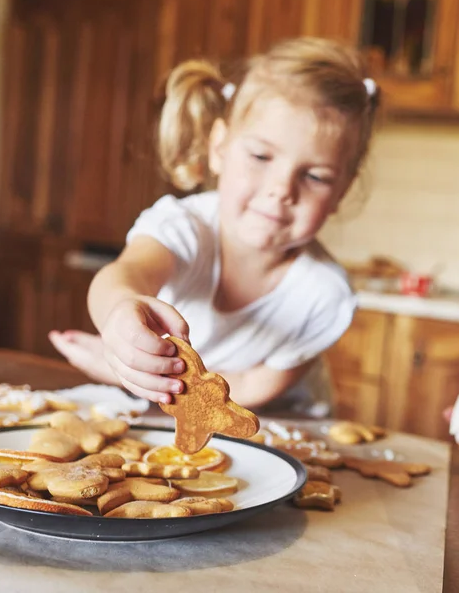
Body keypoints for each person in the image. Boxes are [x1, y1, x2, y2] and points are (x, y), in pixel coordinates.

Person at [50, 37, 380, 416]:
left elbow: (252, 388)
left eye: (316, 177)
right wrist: (120, 311)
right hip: (173, 414)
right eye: (260, 156)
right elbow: (126, 273)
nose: (281, 190)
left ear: (342, 190)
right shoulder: (184, 227)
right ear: (219, 147)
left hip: (279, 427)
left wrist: (121, 372)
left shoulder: (324, 294)